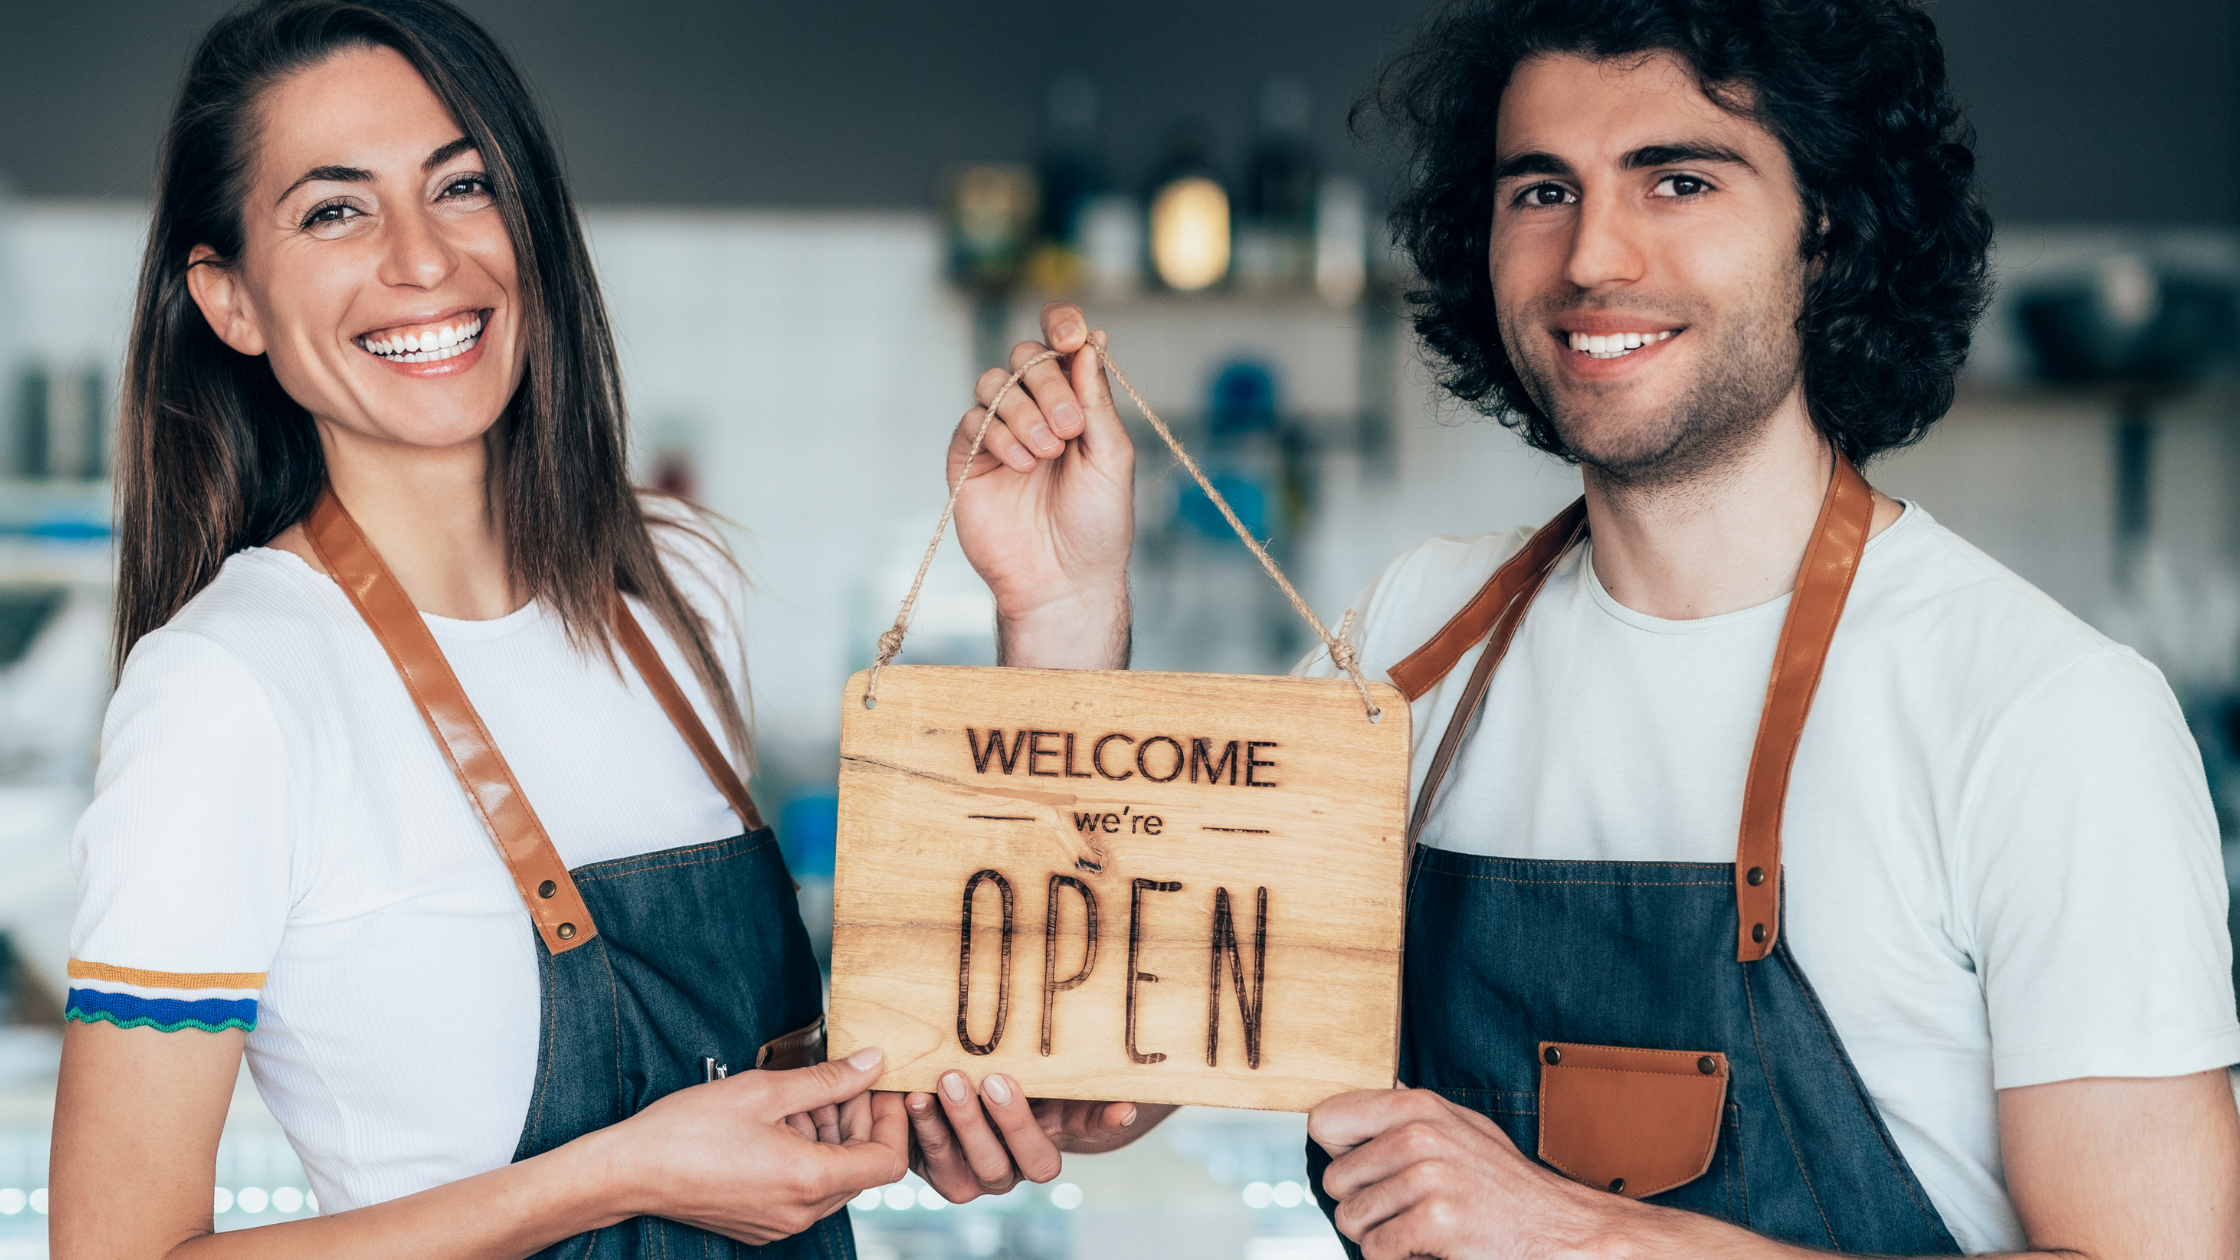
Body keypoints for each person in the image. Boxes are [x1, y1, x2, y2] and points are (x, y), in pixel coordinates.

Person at [932, 0, 2240, 1255]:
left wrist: (1583, 1236)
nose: (1594, 257)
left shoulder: (2047, 716)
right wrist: (1060, 607)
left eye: (1681, 180)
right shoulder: (1417, 632)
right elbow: (1120, 1048)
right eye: (1541, 190)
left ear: (1828, 232)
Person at [47, 1, 1124, 1255]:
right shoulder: (228, 688)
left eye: (463, 185)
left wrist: (1054, 605)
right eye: (333, 208)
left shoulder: (672, 584)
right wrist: (613, 1175)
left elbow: (991, 1019)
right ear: (229, 299)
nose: (422, 259)